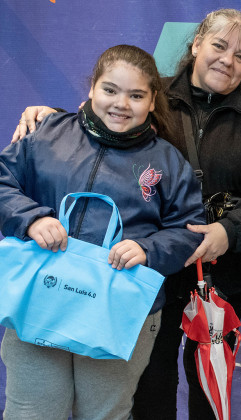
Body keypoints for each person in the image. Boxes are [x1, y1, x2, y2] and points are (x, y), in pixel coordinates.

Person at [13, 9, 241, 419]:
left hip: (218, 270)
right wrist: (47, 115)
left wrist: (228, 232)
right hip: (143, 270)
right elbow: (99, 126)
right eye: (218, 45)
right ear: (196, 44)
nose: (228, 60)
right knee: (148, 382)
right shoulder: (151, 90)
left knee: (209, 385)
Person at [0, 45, 204, 419]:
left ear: (152, 99)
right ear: (92, 87)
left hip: (118, 307)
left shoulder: (167, 161)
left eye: (136, 95)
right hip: (40, 301)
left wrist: (149, 249)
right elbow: (3, 183)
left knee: (104, 413)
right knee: (32, 411)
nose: (121, 104)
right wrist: (30, 218)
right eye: (110, 90)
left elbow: (189, 229)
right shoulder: (47, 133)